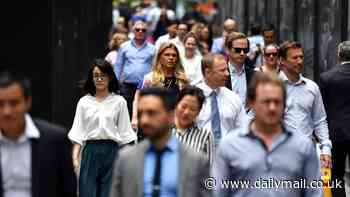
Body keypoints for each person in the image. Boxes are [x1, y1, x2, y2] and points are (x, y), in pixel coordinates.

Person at [213, 72, 323, 197]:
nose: (272, 107)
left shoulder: (303, 146)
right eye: (266, 101)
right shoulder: (229, 146)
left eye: (277, 102)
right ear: (251, 103)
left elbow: (315, 193)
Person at [109, 87, 211, 197]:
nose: (144, 120)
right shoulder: (126, 159)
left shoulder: (196, 160)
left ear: (171, 115)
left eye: (152, 113)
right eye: (141, 113)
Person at [0, 69, 77, 197]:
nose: (7, 111)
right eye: (0, 104)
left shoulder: (54, 140)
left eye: (14, 103)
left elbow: (68, 190)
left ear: (27, 102)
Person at [68, 59, 137, 197]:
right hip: (90, 152)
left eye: (103, 75)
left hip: (112, 151)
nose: (99, 79)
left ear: (110, 77)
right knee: (87, 192)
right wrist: (75, 160)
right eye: (96, 75)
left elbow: (126, 135)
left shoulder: (119, 102)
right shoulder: (84, 102)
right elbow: (78, 133)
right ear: (91, 78)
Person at [279, 41, 332, 169]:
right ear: (282, 61)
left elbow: (319, 120)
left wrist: (326, 148)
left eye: (301, 57)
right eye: (295, 57)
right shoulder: (271, 87)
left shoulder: (312, 88)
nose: (299, 61)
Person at [132, 42, 188, 130]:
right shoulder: (149, 78)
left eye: (174, 55)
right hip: (153, 123)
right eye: (167, 55)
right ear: (160, 57)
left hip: (175, 124)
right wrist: (135, 118)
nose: (171, 58)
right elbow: (137, 99)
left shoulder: (182, 80)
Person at [197, 53, 247, 147]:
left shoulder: (233, 98)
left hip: (228, 154)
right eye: (222, 70)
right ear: (208, 72)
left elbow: (243, 129)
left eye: (227, 69)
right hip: (199, 154)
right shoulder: (192, 97)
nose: (227, 74)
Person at [320, 40, 350, 197]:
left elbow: (322, 109)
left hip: (336, 133)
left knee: (337, 175)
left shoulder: (327, 78)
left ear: (338, 55)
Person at [114, 20, 156, 117]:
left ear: (147, 32)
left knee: (144, 112)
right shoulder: (124, 47)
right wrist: (115, 83)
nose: (140, 32)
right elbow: (118, 65)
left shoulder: (153, 49)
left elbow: (155, 67)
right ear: (133, 31)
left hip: (145, 86)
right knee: (126, 112)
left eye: (143, 30)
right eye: (137, 29)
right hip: (127, 85)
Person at [172, 85, 214, 165]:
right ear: (177, 104)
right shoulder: (162, 130)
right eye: (183, 107)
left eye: (193, 109)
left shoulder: (205, 136)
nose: (186, 112)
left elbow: (209, 168)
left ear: (198, 112)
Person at [224, 32, 255, 108]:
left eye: (245, 50)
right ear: (228, 50)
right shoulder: (220, 74)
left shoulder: (255, 75)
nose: (242, 53)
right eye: (238, 50)